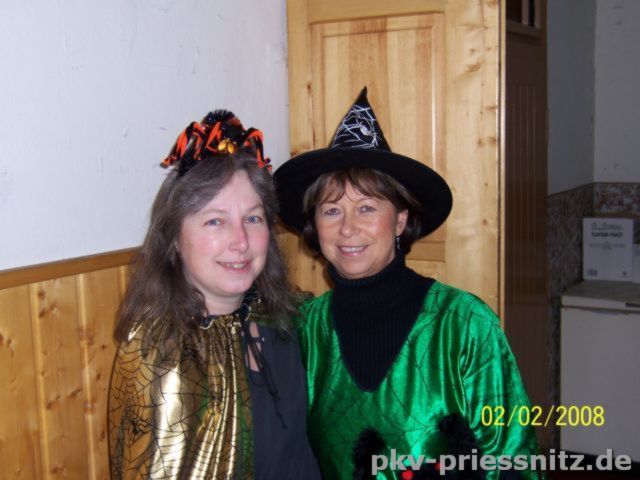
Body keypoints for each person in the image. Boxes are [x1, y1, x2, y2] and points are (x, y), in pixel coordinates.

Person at [273, 88, 542, 480]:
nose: (347, 228)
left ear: (400, 220)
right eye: (331, 210)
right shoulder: (305, 332)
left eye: (367, 208)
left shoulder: (463, 325)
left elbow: (515, 461)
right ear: (315, 225)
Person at [108, 110, 321, 479]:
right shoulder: (161, 355)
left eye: (253, 218)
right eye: (215, 220)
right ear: (175, 238)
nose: (240, 241)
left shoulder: (288, 322)